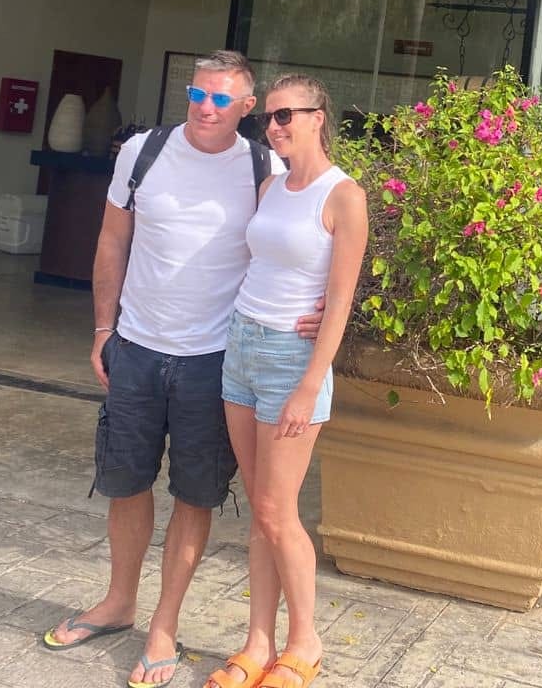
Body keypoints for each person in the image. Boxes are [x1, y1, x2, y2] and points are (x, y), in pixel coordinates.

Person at [40, 52, 322, 688]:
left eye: (223, 99)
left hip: (215, 361)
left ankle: (163, 625)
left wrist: (327, 300)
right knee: (125, 482)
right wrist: (102, 329)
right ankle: (118, 602)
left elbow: (316, 235)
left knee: (195, 494)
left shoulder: (265, 168)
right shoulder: (141, 151)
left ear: (248, 109)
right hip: (136, 348)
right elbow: (112, 241)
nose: (206, 107)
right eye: (199, 94)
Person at [212, 74, 367, 688]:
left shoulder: (344, 195)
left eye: (285, 117)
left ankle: (305, 642)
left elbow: (341, 298)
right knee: (259, 511)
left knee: (279, 510)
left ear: (317, 117)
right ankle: (258, 642)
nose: (273, 127)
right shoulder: (272, 185)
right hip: (242, 347)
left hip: (290, 363)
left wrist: (310, 381)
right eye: (268, 118)